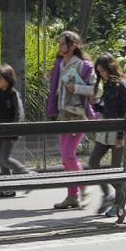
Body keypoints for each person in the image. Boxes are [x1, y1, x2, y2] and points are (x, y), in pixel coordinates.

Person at [45, 30, 95, 210]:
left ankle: (83, 188)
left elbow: (96, 91)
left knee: (68, 154)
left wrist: (78, 88)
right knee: (65, 159)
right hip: (63, 115)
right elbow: (57, 91)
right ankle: (72, 196)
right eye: (59, 44)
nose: (59, 47)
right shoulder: (59, 63)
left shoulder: (85, 66)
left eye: (62, 44)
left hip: (79, 115)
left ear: (73, 45)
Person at [87, 55, 126, 217]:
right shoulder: (107, 85)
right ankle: (107, 195)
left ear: (111, 67)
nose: (102, 74)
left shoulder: (122, 85)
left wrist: (121, 136)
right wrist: (95, 104)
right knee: (93, 162)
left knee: (115, 169)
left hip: (118, 133)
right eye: (99, 72)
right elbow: (108, 110)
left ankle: (120, 203)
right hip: (106, 130)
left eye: (104, 70)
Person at [0, 62, 30, 184]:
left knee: (5, 158)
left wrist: (14, 128)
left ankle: (27, 173)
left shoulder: (13, 94)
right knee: (2, 160)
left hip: (10, 131)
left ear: (8, 79)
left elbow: (19, 113)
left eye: (0, 78)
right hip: (0, 131)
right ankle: (7, 187)